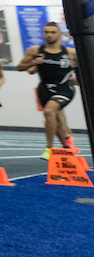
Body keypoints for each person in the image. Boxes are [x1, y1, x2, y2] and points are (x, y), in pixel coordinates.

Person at [17, 21, 78, 159]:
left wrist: (78, 79)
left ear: (59, 34)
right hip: (45, 89)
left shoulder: (70, 52)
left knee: (49, 111)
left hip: (64, 89)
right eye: (46, 32)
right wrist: (33, 63)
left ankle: (49, 148)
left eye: (52, 32)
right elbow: (20, 67)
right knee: (53, 118)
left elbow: (84, 66)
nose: (49, 35)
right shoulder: (35, 51)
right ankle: (67, 147)